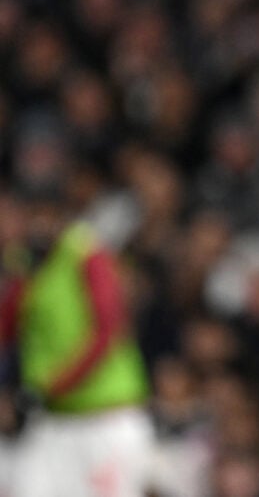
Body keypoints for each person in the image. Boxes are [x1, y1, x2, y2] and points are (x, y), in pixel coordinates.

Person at [0, 190, 154, 497]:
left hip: (106, 417)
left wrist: (55, 384)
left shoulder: (86, 252)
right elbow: (7, 328)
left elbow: (107, 329)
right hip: (53, 420)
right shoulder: (25, 264)